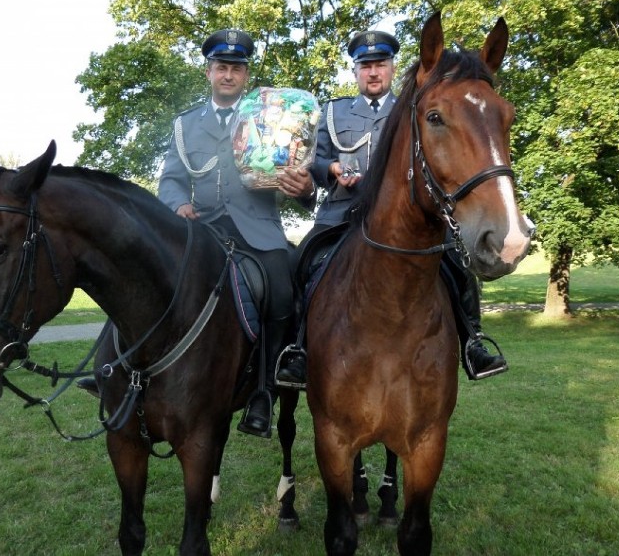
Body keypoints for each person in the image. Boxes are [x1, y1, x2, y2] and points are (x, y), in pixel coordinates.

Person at [276, 30, 508, 386]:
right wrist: (330, 170)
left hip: (403, 217)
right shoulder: (334, 112)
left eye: (380, 65)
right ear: (355, 71)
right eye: (365, 65)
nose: (373, 72)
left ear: (391, 68)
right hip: (343, 212)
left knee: (456, 264)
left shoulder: (413, 109)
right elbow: (314, 160)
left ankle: (472, 341)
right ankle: (298, 347)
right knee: (304, 260)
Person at [158, 28, 315, 437]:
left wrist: (304, 188)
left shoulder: (272, 115)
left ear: (246, 76)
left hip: (258, 229)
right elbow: (171, 180)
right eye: (221, 67)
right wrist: (178, 205)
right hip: (202, 228)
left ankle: (264, 391)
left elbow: (298, 171)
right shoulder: (185, 125)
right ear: (208, 72)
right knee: (149, 279)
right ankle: (121, 369)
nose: (228, 75)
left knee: (282, 292)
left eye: (236, 69)